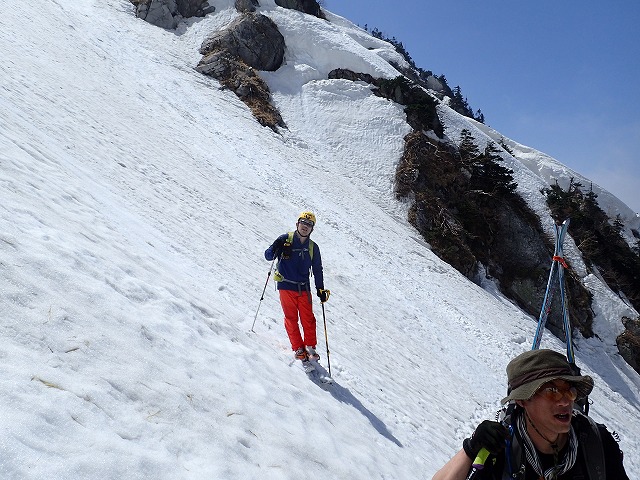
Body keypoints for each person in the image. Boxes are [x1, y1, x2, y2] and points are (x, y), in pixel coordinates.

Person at [432, 349, 629, 480]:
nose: (565, 401)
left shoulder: (596, 442)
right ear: (522, 400)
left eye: (569, 390)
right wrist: (471, 448)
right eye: (552, 391)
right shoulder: (501, 450)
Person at [264, 211, 329, 364]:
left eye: (309, 224)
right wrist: (275, 247)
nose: (305, 226)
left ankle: (310, 347)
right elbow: (268, 256)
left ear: (312, 229)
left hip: (304, 288)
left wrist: (320, 289)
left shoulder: (313, 247)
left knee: (308, 319)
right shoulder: (284, 239)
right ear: (297, 224)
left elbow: (317, 270)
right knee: (291, 318)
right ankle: (298, 348)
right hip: (286, 286)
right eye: (303, 223)